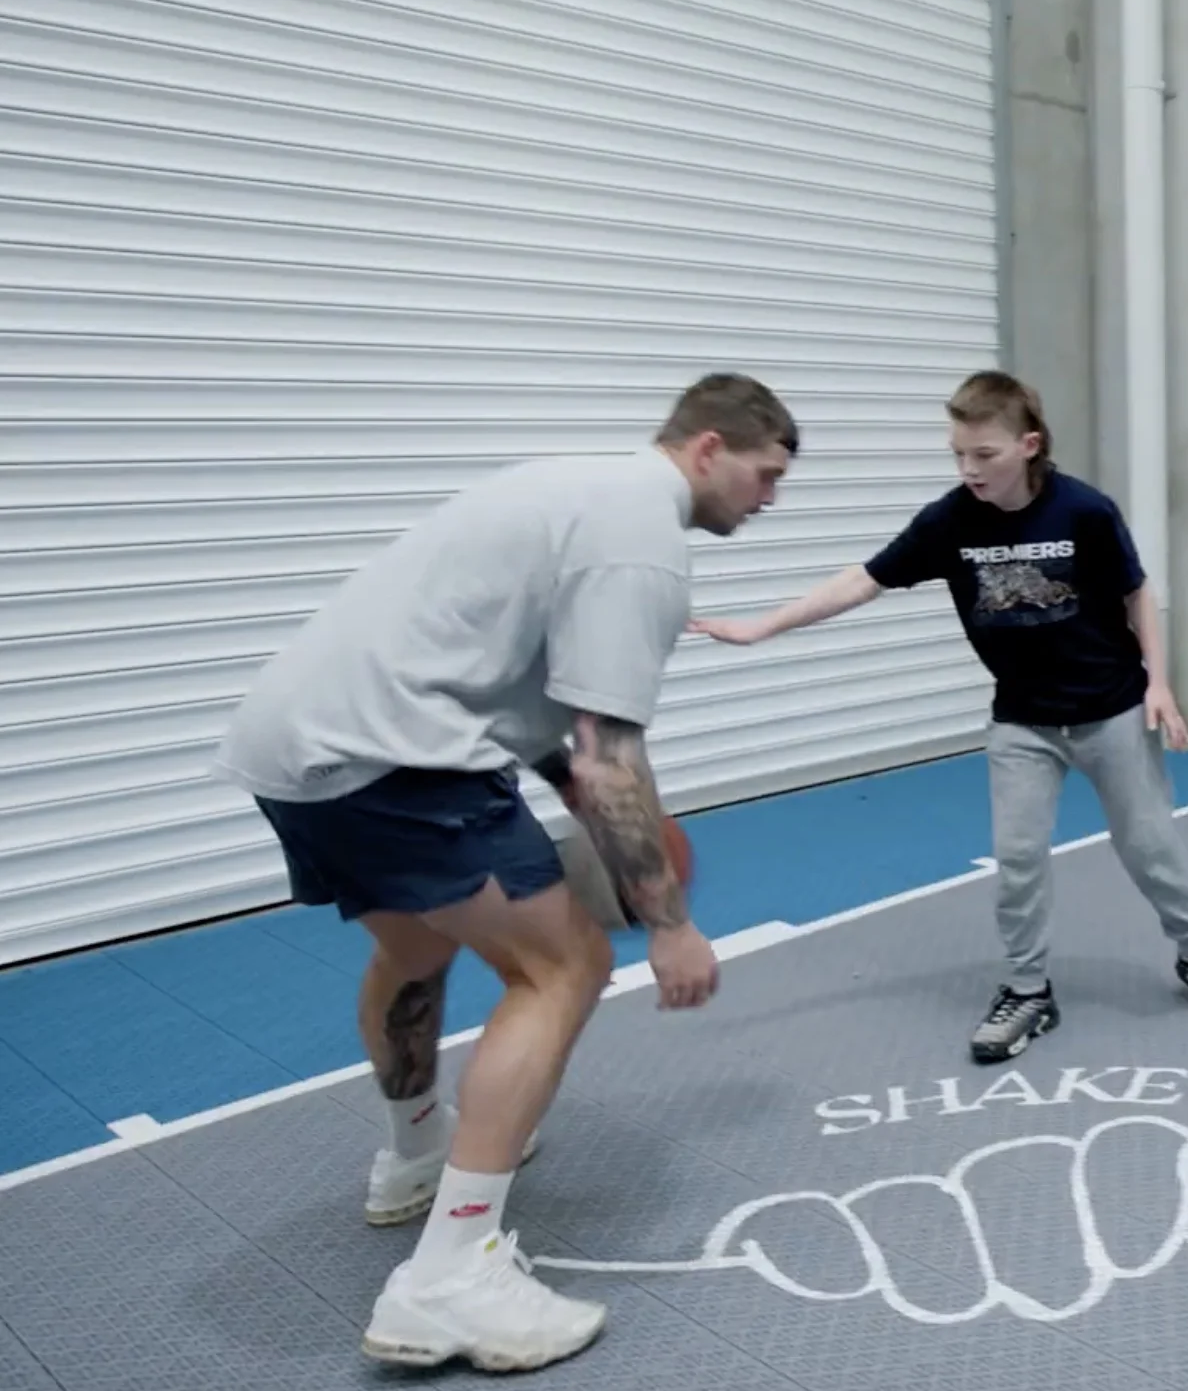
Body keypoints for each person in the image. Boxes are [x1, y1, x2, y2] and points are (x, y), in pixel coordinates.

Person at [211, 374, 798, 1374]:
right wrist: (668, 924)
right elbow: (610, 752)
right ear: (707, 448)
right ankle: (452, 1276)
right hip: (397, 759)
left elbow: (540, 712)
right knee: (561, 968)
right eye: (765, 473)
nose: (771, 497)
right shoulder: (642, 542)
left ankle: (412, 1160)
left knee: (413, 942)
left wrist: (583, 801)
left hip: (293, 748)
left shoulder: (574, 485)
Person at [691, 369, 1188, 1065]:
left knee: (1149, 846)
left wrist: (1160, 686)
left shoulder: (1083, 511)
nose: (969, 469)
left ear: (1028, 445)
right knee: (1018, 857)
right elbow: (863, 579)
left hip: (1111, 709)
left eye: (984, 454)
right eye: (958, 454)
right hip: (1022, 721)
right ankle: (1028, 990)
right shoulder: (950, 520)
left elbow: (1136, 593)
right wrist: (764, 626)